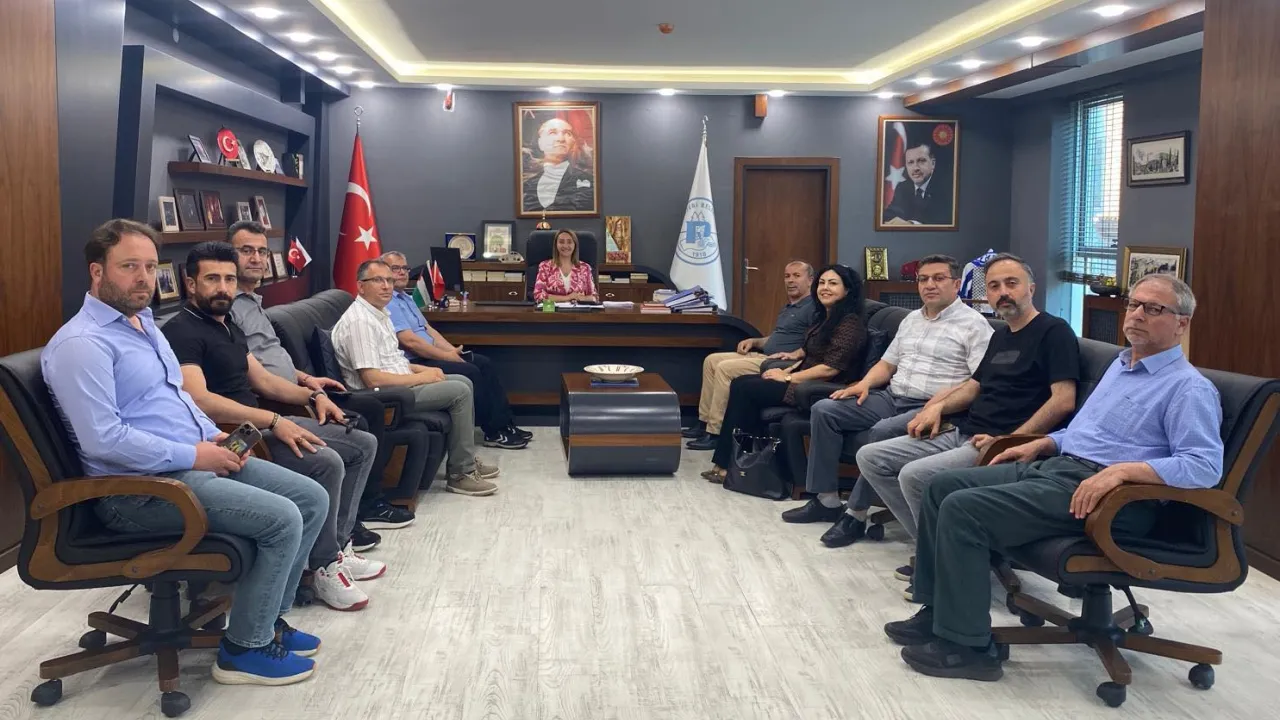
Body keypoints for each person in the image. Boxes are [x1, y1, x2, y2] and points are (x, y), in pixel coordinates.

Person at [885, 274, 1223, 682]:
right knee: (942, 486)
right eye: (1134, 304)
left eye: (1153, 309)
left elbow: (1204, 465)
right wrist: (1045, 442)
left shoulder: (1188, 388)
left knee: (964, 509)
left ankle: (969, 648)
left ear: (1181, 323)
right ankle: (938, 611)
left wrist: (1122, 472)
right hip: (1063, 470)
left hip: (1115, 500)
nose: (1137, 314)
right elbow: (1089, 433)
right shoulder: (1121, 366)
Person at [42, 219, 325, 686]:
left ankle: (265, 621)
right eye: (129, 267)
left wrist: (215, 439)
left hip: (189, 462)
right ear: (97, 271)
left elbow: (178, 401)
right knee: (283, 518)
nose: (144, 279)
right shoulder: (82, 345)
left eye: (150, 267)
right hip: (138, 491)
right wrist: (194, 456)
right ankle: (244, 651)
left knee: (311, 498)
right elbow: (103, 441)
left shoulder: (144, 325)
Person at [162, 241, 383, 612]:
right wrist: (275, 420)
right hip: (229, 437)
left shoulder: (228, 324)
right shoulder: (182, 332)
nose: (223, 288)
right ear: (190, 283)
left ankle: (336, 547)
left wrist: (312, 396)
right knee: (326, 461)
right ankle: (322, 567)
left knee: (362, 443)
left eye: (229, 279)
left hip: (260, 423)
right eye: (212, 279)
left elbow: (263, 381)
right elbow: (200, 399)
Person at [856, 255, 1078, 594]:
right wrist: (938, 408)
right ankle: (942, 550)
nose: (1003, 292)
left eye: (1011, 283)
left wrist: (1011, 440)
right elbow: (974, 386)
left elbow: (1063, 400)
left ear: (1031, 288)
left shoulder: (1054, 332)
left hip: (1000, 443)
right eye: (994, 286)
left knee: (914, 476)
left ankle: (943, 563)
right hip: (964, 430)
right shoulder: (1001, 336)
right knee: (871, 457)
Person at [226, 221, 414, 545]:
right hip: (275, 405)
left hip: (296, 389)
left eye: (261, 251)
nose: (256, 258)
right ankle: (360, 515)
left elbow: (271, 357)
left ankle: (353, 521)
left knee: (366, 414)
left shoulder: (253, 301)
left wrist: (306, 378)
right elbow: (257, 376)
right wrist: (310, 395)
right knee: (365, 414)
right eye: (246, 251)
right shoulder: (227, 310)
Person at [787, 255, 994, 547]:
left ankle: (856, 514)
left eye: (938, 278)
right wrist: (863, 384)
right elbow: (887, 364)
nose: (930, 285)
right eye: (923, 279)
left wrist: (941, 403)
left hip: (931, 407)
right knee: (825, 409)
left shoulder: (975, 326)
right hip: (891, 396)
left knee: (882, 430)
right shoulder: (912, 319)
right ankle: (826, 500)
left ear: (957, 284)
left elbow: (978, 381)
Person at [330, 259, 501, 497]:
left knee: (463, 381)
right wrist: (422, 379)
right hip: (382, 397)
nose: (386, 286)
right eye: (378, 280)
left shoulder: (380, 314)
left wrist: (421, 370)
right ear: (360, 286)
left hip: (398, 385)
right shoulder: (360, 322)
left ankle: (465, 459)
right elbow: (373, 379)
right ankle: (461, 474)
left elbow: (393, 362)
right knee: (460, 391)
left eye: (389, 280)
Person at [704, 265, 868, 483]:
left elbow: (830, 368)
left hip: (818, 389)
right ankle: (739, 464)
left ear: (847, 290)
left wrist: (788, 377)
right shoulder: (826, 317)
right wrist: (787, 366)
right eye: (822, 283)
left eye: (833, 283)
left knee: (746, 388)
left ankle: (728, 465)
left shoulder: (849, 323)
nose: (825, 288)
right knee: (742, 383)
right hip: (804, 380)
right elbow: (809, 352)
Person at [381, 250, 529, 450]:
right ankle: (494, 432)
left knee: (483, 363)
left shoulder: (405, 297)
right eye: (395, 268)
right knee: (471, 371)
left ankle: (505, 424)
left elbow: (428, 330)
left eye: (405, 268)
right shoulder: (388, 301)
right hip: (417, 361)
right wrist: (446, 357)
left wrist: (453, 352)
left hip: (431, 355)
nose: (402, 272)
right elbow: (410, 342)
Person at [684, 261, 817, 450]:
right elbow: (777, 338)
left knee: (724, 368)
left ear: (810, 280)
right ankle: (704, 422)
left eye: (797, 276)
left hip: (780, 363)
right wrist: (755, 341)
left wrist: (796, 354)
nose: (790, 281)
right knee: (711, 360)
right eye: (787, 276)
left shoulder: (813, 308)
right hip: (764, 355)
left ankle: (716, 432)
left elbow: (814, 341)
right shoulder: (789, 307)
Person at [521, 118, 595, 213]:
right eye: (552, 133)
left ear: (573, 142)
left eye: (567, 133)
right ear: (540, 143)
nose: (561, 139)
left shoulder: (587, 180)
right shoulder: (526, 183)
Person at [883, 142, 952, 226]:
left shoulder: (947, 188)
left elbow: (943, 221)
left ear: (933, 163)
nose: (915, 168)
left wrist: (911, 225)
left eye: (921, 161)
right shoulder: (903, 187)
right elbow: (889, 215)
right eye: (910, 162)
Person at [533, 229, 597, 302]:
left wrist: (581, 298)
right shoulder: (545, 266)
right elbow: (538, 295)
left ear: (575, 245)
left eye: (569, 242)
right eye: (561, 242)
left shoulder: (585, 268)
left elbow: (594, 297)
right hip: (552, 309)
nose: (565, 246)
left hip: (578, 309)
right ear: (556, 245)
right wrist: (568, 297)